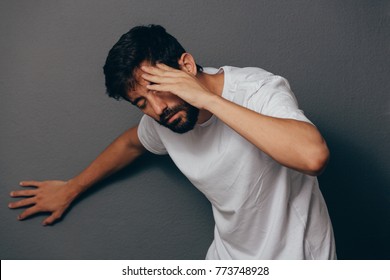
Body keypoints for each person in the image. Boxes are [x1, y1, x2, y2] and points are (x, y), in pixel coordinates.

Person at [8, 24, 336, 259]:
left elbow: (312, 157)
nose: (157, 110)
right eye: (141, 104)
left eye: (157, 90)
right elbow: (131, 143)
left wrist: (207, 100)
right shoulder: (167, 118)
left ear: (186, 65)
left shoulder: (257, 89)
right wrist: (71, 187)